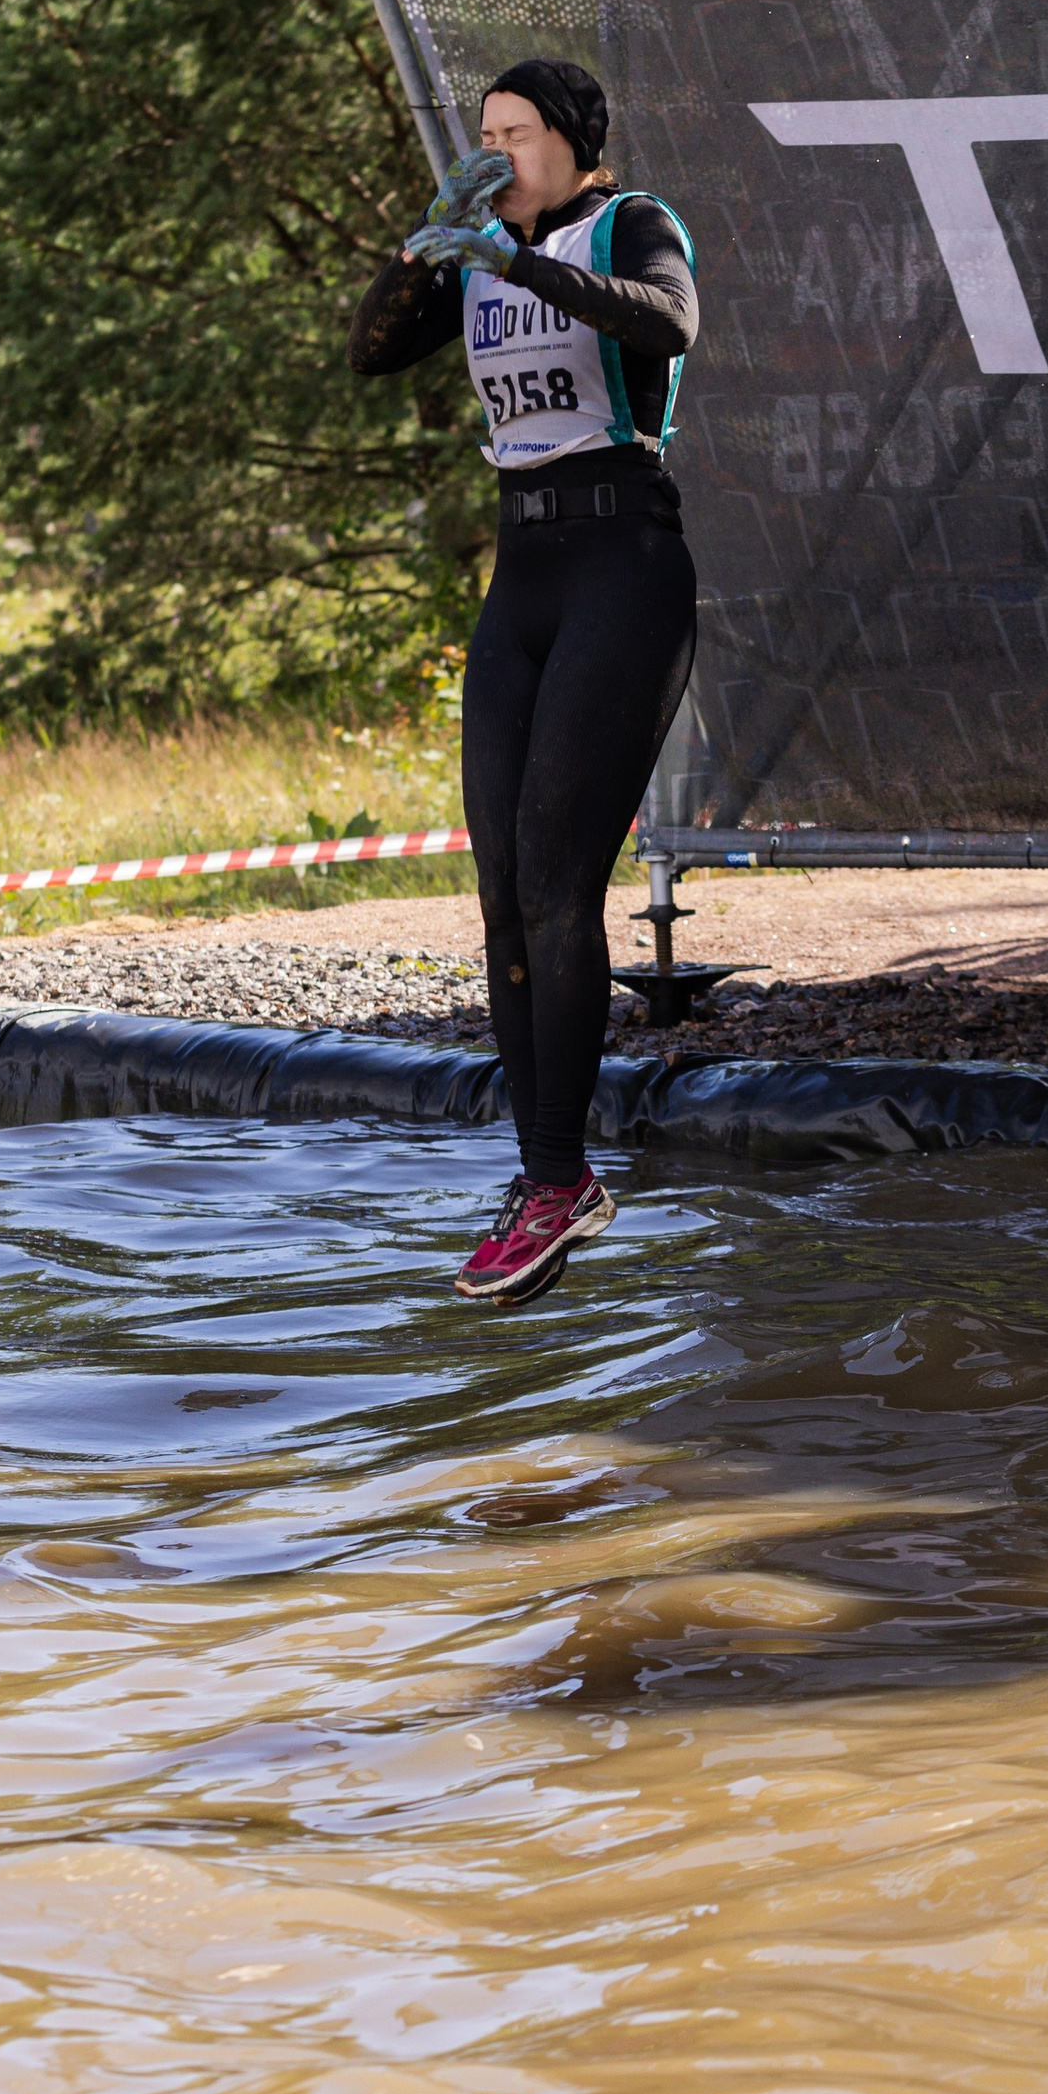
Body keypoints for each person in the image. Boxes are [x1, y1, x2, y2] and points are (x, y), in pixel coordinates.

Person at [348, 63, 699, 1308]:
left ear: (574, 144)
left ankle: (562, 1173)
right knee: (502, 890)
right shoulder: (484, 248)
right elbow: (368, 356)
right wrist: (421, 256)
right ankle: (539, 1181)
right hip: (523, 574)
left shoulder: (628, 222)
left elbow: (665, 322)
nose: (494, 155)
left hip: (624, 563)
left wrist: (520, 265)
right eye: (481, 139)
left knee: (560, 877)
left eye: (515, 136)